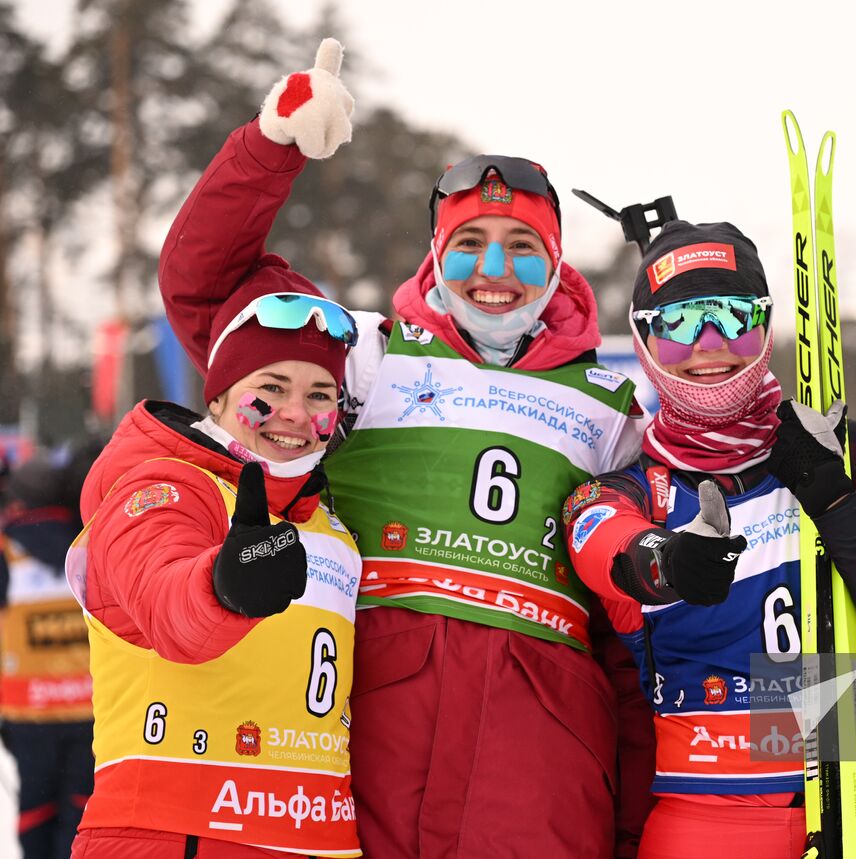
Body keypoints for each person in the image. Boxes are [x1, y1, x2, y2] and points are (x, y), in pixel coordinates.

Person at [158, 40, 650, 858]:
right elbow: (211, 297)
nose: (496, 270)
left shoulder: (613, 407)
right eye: (470, 243)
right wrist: (270, 147)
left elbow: (642, 628)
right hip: (366, 719)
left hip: (539, 751)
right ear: (435, 253)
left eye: (523, 247)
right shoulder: (364, 355)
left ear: (558, 262)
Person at [565, 220, 856, 859]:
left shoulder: (853, 451)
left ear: (767, 328)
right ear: (643, 342)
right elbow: (605, 544)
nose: (710, 344)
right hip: (706, 815)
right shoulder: (633, 488)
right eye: (679, 326)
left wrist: (833, 500)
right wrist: (672, 561)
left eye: (732, 316)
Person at [68, 282, 362, 857]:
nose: (296, 414)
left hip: (318, 836)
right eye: (271, 388)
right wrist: (222, 587)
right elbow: (165, 599)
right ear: (220, 400)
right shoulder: (165, 487)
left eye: (320, 394)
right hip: (177, 831)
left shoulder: (331, 526)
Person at [1, 453, 91, 859]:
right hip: (91, 712)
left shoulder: (6, 552)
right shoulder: (90, 546)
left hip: (28, 714)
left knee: (36, 814)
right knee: (81, 816)